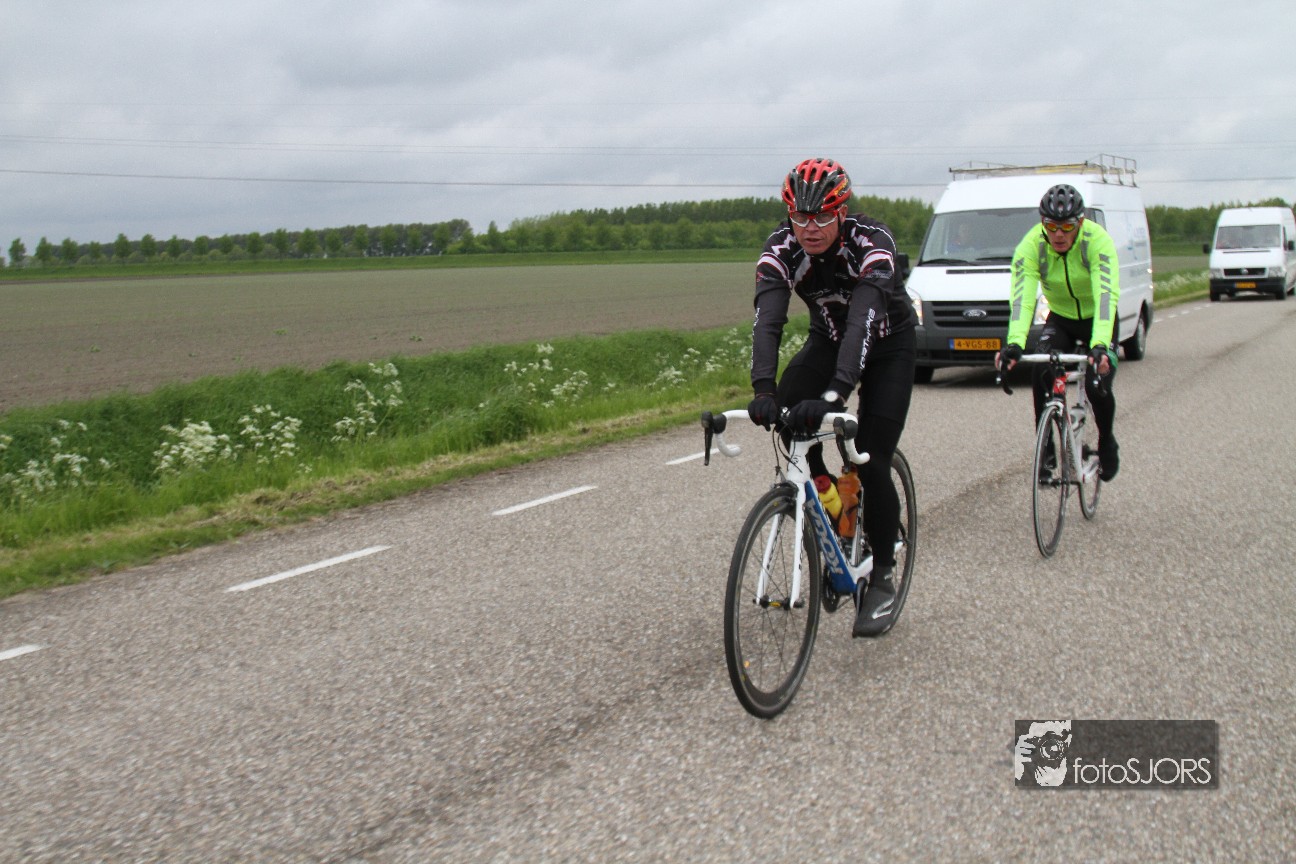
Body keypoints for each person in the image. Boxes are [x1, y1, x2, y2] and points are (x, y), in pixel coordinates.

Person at [748, 158, 917, 638]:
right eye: (800, 217)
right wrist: (763, 388)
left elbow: (863, 320)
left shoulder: (872, 242)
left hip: (888, 344)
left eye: (822, 216)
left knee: (871, 457)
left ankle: (882, 573)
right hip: (828, 339)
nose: (810, 228)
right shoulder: (781, 249)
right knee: (788, 415)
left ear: (841, 212)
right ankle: (830, 499)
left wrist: (835, 394)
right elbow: (768, 320)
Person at [996, 183, 1120, 481]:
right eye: (1051, 226)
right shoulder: (1031, 245)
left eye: (1067, 226)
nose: (1059, 234)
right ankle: (1047, 448)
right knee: (1041, 371)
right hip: (1062, 318)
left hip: (1097, 318)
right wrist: (1014, 343)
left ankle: (1107, 441)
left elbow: (1106, 295)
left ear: (1080, 222)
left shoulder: (1097, 241)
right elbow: (1022, 298)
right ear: (1043, 223)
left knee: (1096, 385)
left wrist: (1100, 345)